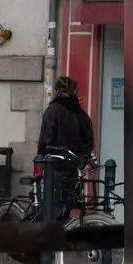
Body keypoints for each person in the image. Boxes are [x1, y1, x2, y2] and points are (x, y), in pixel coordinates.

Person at [37, 76, 95, 218]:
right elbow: (89, 143)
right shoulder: (82, 115)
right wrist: (80, 160)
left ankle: (50, 236)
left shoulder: (53, 110)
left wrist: (41, 157)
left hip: (55, 168)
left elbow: (46, 142)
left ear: (58, 90)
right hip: (73, 168)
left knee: (51, 209)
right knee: (66, 207)